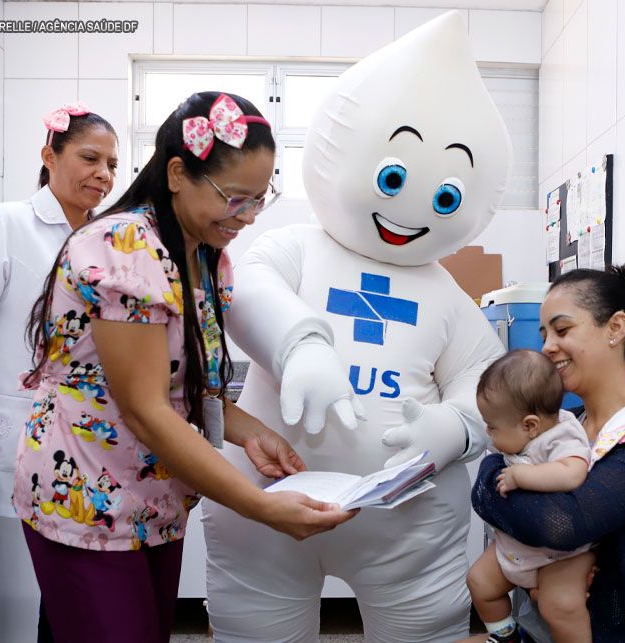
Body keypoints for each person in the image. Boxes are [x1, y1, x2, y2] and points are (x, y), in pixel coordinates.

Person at [201, 12, 510, 642]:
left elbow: (486, 379)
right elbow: (243, 290)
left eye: (444, 198)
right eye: (392, 179)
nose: (408, 212)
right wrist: (300, 345)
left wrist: (453, 426)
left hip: (407, 525)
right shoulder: (294, 247)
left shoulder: (446, 295)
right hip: (267, 506)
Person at [13, 91, 356, 643]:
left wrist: (253, 434)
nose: (245, 217)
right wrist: (261, 509)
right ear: (177, 173)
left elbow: (181, 388)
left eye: (258, 199)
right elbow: (147, 411)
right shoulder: (124, 245)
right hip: (86, 497)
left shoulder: (205, 255)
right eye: (233, 198)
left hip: (153, 499)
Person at [467, 265, 625, 643]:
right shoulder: (573, 424)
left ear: (615, 328)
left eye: (562, 329)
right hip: (553, 625)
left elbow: (563, 526)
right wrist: (495, 481)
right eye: (544, 334)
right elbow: (490, 480)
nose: (547, 346)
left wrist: (499, 481)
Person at [0, 101, 119, 642]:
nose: (104, 174)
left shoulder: (107, 241)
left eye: (112, 164)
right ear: (49, 155)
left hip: (90, 443)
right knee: (16, 595)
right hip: (18, 434)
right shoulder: (7, 223)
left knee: (71, 597)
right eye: (90, 157)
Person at [466, 349, 594, 643]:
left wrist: (521, 476)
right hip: (516, 546)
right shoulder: (521, 435)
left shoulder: (561, 436)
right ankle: (506, 636)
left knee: (560, 606)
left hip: (559, 557)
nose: (489, 432)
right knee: (479, 581)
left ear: (530, 425)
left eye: (493, 426)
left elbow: (572, 472)